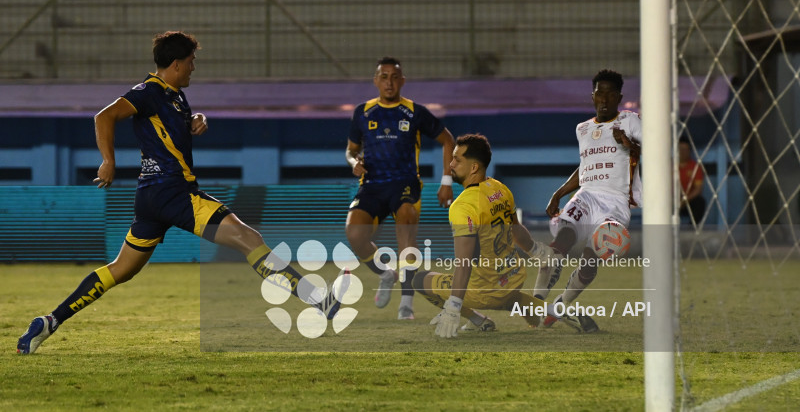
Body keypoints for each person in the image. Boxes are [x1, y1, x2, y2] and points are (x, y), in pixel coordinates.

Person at [17, 31, 347, 354]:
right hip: (174, 192)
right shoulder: (148, 91)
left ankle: (48, 322)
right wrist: (108, 162)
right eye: (191, 61)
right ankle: (319, 299)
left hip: (151, 196)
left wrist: (195, 120)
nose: (194, 67)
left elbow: (165, 130)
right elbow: (104, 116)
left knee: (122, 269)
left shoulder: (174, 96)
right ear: (175, 64)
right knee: (249, 239)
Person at [345, 57, 455, 320]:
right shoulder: (363, 112)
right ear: (376, 81)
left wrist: (447, 181)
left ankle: (406, 302)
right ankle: (386, 273)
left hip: (405, 184)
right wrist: (353, 163)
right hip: (371, 185)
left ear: (402, 81)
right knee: (354, 234)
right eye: (384, 77)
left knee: (405, 229)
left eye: (395, 77)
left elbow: (448, 140)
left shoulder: (415, 112)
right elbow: (351, 150)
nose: (389, 82)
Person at [414, 133, 553, 337]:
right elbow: (516, 229)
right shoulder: (500, 188)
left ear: (473, 168)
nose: (451, 164)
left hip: (486, 291)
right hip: (514, 278)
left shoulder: (462, 206)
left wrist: (453, 307)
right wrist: (537, 251)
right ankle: (553, 311)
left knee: (419, 280)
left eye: (457, 159)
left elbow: (464, 263)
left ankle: (478, 320)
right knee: (505, 294)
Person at [534, 69, 642, 333]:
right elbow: (585, 167)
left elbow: (655, 151)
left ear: (619, 97)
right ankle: (535, 301)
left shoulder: (631, 120)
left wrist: (630, 144)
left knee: (590, 262)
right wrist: (558, 193)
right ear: (592, 96)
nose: (603, 98)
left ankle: (559, 305)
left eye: (610, 93)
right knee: (562, 241)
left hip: (616, 202)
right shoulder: (582, 128)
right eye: (599, 92)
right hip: (587, 195)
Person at [678, 136, 705, 223]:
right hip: (672, 199)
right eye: (681, 149)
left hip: (688, 200)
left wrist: (685, 199)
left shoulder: (695, 167)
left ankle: (693, 229)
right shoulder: (670, 165)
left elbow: (698, 189)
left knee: (700, 202)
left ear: (689, 151)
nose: (683, 152)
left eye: (685, 149)